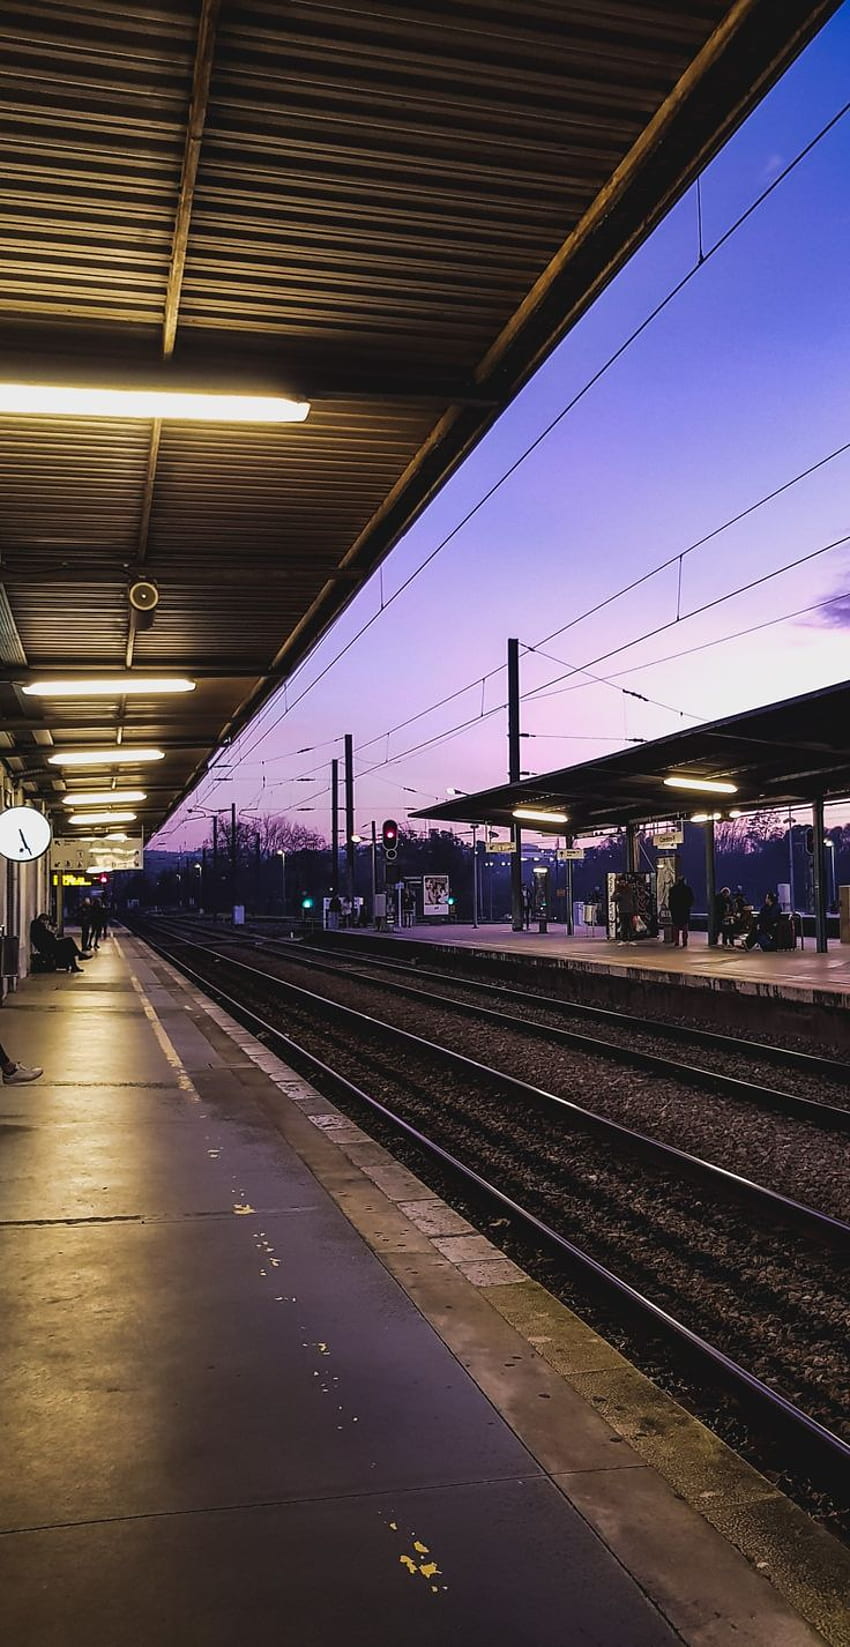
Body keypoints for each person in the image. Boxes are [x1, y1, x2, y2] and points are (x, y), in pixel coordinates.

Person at [668, 875, 695, 946]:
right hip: (685, 911)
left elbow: (670, 900)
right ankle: (684, 942)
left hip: (675, 911)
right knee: (685, 928)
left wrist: (671, 909)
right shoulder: (688, 889)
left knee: (676, 927)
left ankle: (676, 941)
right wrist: (688, 906)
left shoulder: (672, 889)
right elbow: (691, 899)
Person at [612, 876, 636, 942]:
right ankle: (623, 940)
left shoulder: (630, 890)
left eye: (623, 882)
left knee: (630, 926)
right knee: (623, 926)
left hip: (630, 910)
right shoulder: (617, 890)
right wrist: (617, 896)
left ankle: (631, 939)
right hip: (622, 910)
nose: (622, 883)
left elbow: (634, 900)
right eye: (621, 882)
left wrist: (635, 910)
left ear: (626, 882)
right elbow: (612, 898)